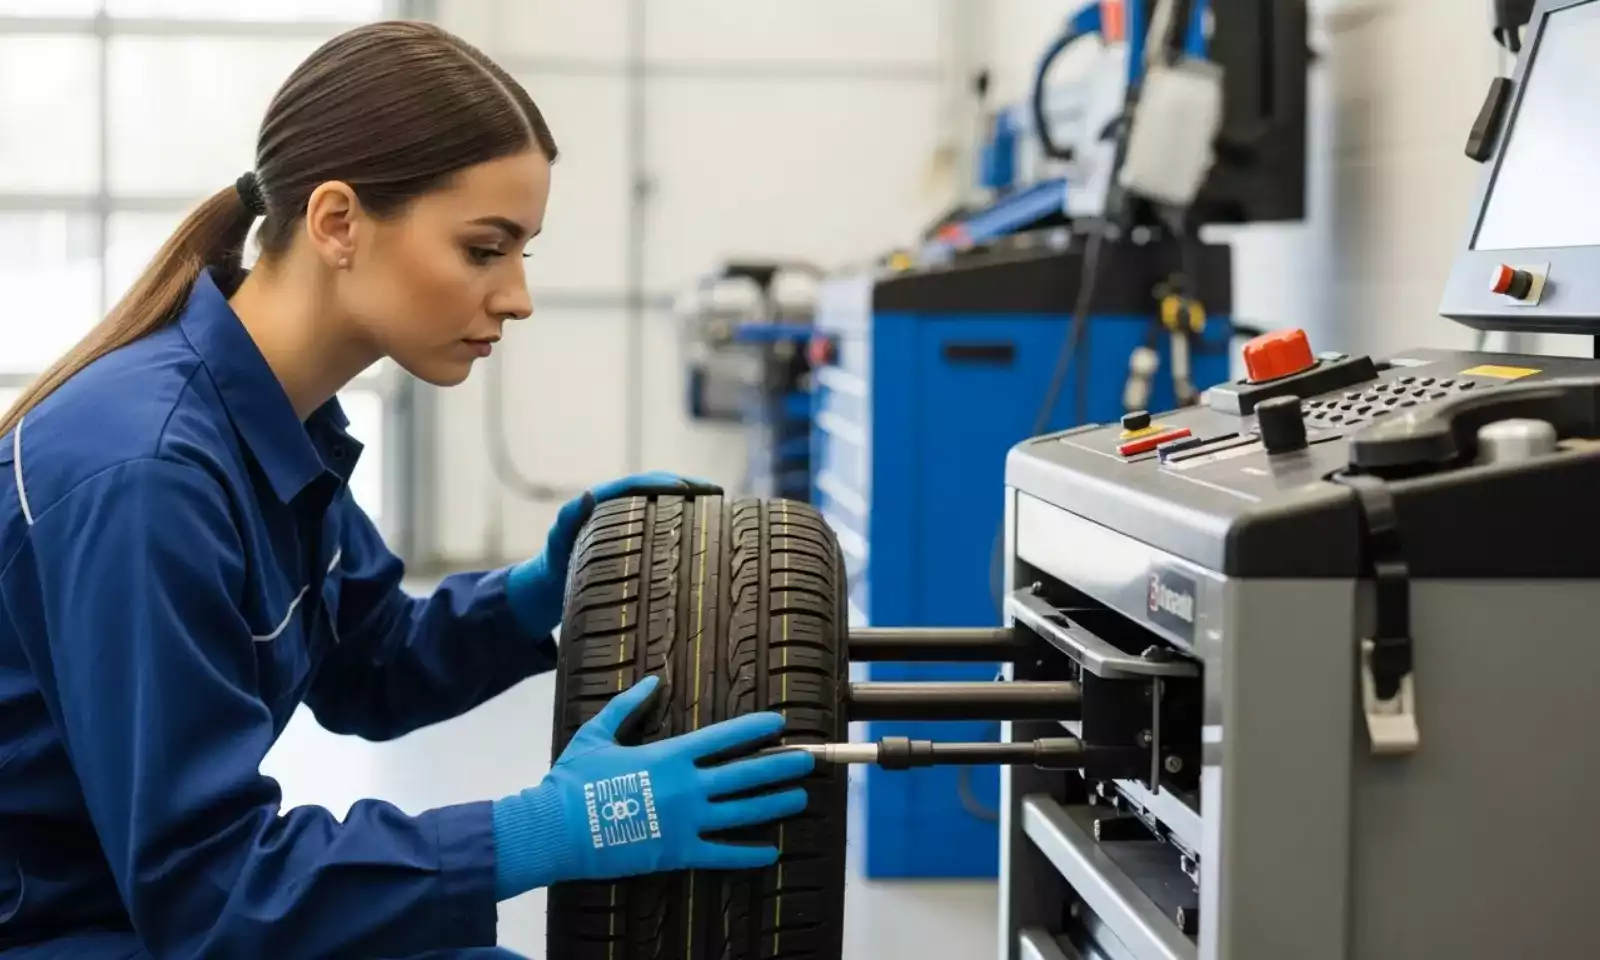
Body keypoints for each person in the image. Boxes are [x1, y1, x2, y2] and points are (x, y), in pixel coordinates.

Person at [0, 20, 814, 960]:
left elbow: (368, 667)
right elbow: (212, 890)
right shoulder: (148, 472)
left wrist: (536, 595)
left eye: (523, 254)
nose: (517, 296)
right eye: (482, 249)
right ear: (338, 223)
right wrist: (555, 827)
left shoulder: (274, 423)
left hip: (127, 904)